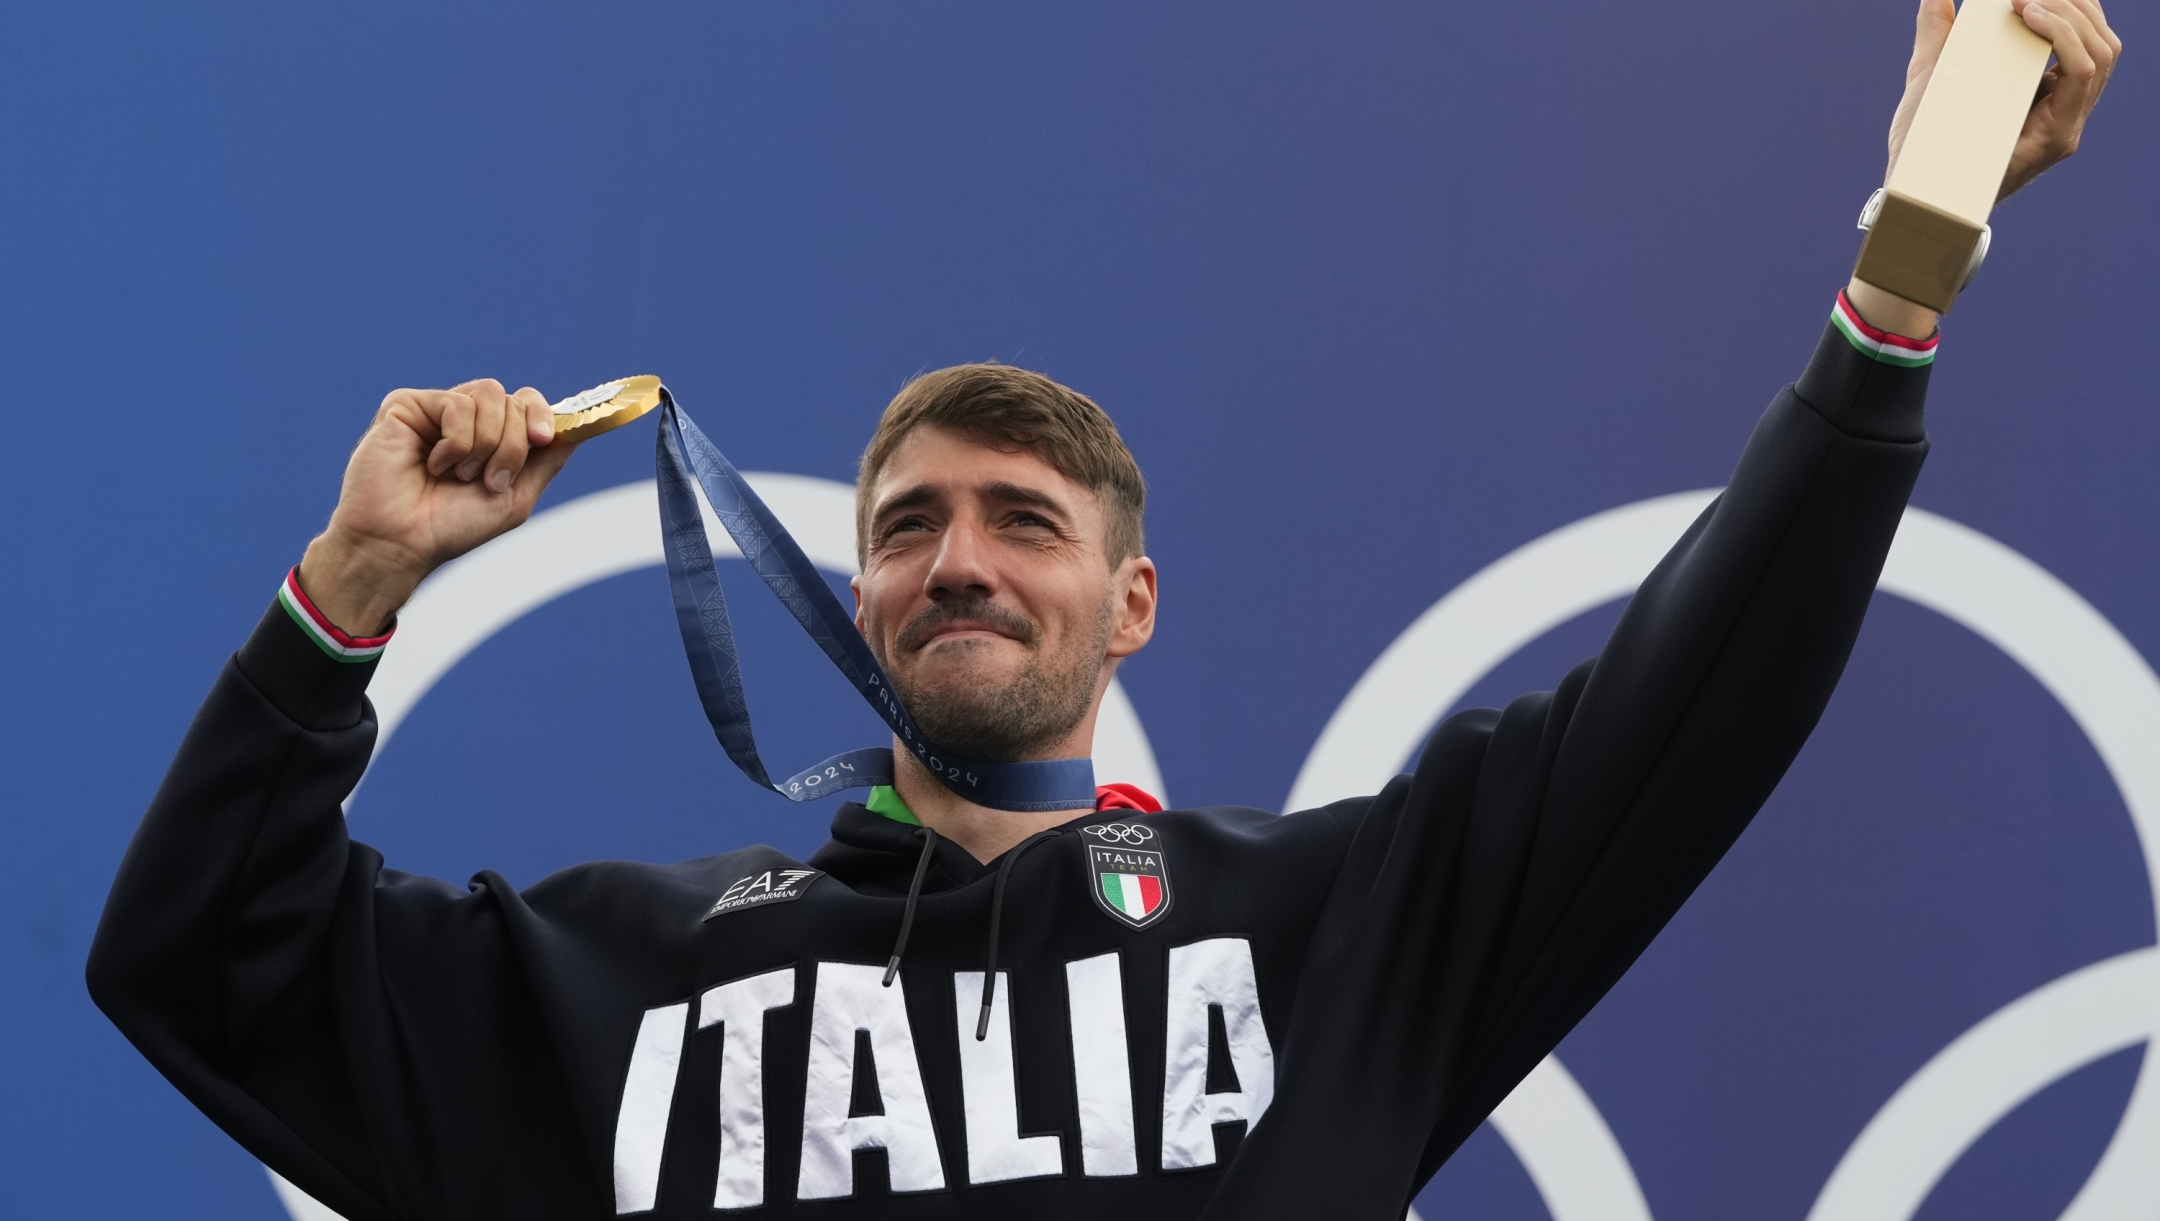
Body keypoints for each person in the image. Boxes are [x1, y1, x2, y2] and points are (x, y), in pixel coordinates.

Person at [89, 2, 2118, 1218]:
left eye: (1023, 520)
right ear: (854, 587)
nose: (959, 555)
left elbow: (1708, 685)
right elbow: (197, 950)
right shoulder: (629, 991)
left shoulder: (1340, 933)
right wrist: (353, 584)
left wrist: (1899, 284)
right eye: (908, 524)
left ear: (1130, 599)